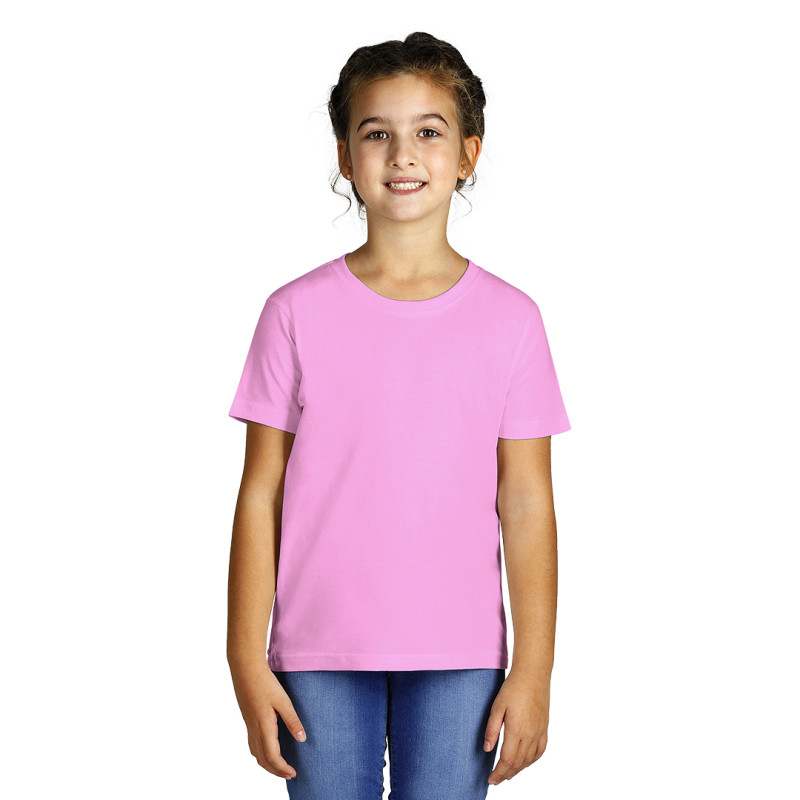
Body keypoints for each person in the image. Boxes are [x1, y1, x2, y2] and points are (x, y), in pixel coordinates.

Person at [226, 31, 571, 799]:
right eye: (377, 133)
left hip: (461, 657)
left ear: (469, 153)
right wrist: (245, 659)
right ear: (346, 157)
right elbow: (260, 495)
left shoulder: (512, 321)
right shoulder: (293, 313)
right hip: (317, 652)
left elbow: (526, 500)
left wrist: (536, 671)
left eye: (429, 132)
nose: (403, 154)